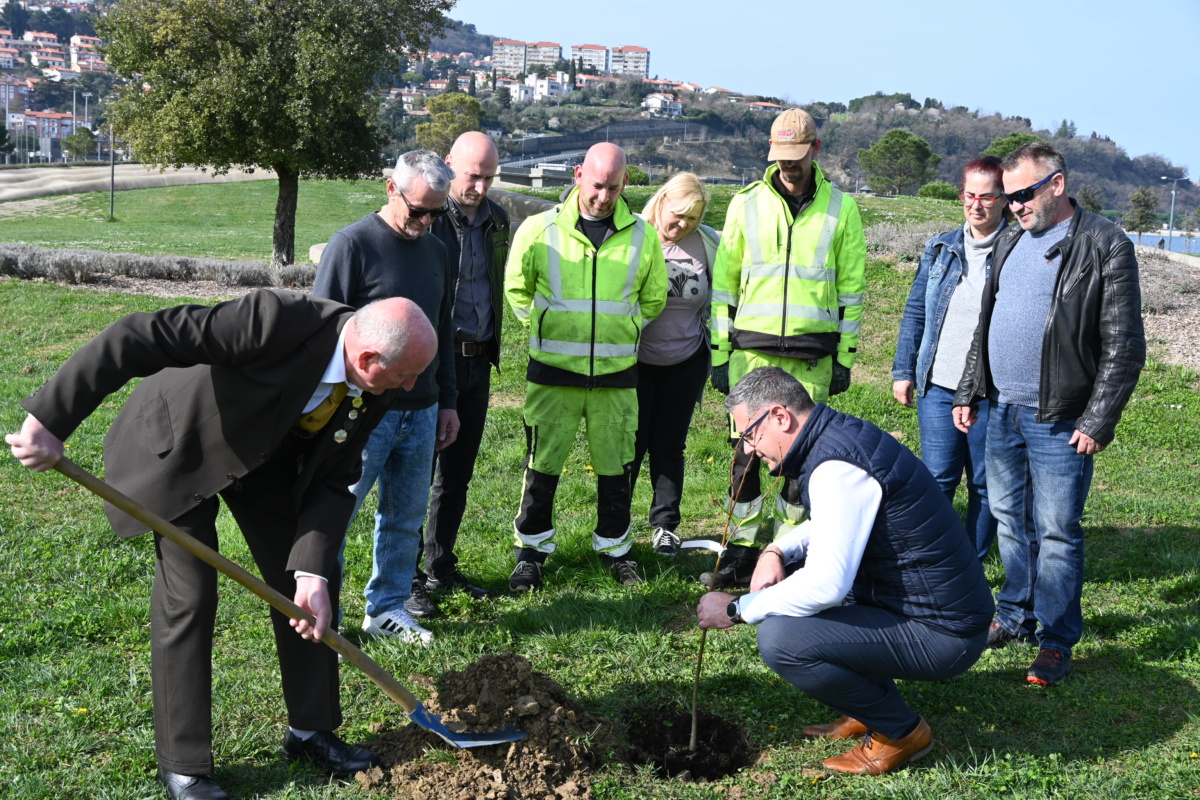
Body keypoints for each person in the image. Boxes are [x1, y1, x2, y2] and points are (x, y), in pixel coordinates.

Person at [6, 290, 437, 800]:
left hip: (268, 459)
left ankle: (310, 731)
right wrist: (48, 421)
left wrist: (312, 573)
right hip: (183, 444)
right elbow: (136, 335)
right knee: (190, 595)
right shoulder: (274, 321)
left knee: (309, 582)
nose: (411, 386)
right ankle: (185, 766)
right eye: (405, 375)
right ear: (367, 359)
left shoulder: (379, 381)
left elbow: (334, 477)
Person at [698, 367, 993, 776]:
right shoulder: (838, 438)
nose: (748, 449)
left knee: (782, 637)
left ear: (780, 416)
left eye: (750, 434)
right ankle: (866, 707)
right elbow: (839, 519)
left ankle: (900, 732)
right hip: (917, 604)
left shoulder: (835, 465)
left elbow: (826, 586)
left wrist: (736, 609)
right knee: (793, 586)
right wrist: (776, 549)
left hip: (945, 633)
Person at [953, 142, 1145, 686]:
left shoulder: (1104, 242)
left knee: (1057, 530)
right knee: (1010, 519)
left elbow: (1124, 344)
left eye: (1024, 194)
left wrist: (1098, 419)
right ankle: (1015, 613)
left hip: (1060, 417)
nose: (1013, 205)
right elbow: (986, 323)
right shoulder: (1011, 238)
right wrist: (969, 389)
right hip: (1001, 409)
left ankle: (1056, 639)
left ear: (1057, 184)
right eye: (1009, 196)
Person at [707, 107, 867, 587]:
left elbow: (852, 292)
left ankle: (785, 554)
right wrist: (720, 353)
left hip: (810, 358)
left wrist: (845, 358)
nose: (788, 164)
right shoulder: (745, 204)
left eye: (797, 154)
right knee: (745, 460)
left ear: (816, 149)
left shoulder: (842, 208)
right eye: (781, 155)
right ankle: (739, 550)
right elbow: (724, 287)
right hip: (750, 355)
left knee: (800, 467)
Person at [503, 142, 667, 590]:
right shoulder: (539, 229)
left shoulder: (643, 236)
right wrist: (545, 327)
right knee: (542, 467)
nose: (603, 196)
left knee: (617, 468)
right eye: (596, 185)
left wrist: (623, 330)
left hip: (616, 378)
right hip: (553, 375)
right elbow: (517, 288)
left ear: (625, 182)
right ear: (578, 175)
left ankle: (616, 549)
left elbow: (653, 298)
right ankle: (531, 552)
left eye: (613, 187)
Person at [313, 149, 458, 638]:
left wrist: (447, 400)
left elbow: (441, 330)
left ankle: (387, 609)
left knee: (406, 516)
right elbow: (323, 334)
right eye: (418, 211)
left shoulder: (437, 250)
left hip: (423, 407)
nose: (426, 222)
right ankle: (323, 611)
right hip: (361, 411)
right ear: (391, 189)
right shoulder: (350, 245)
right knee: (337, 513)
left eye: (437, 213)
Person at [892, 156, 1009, 561]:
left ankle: (972, 562)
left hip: (990, 391)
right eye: (969, 195)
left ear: (1004, 199)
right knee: (938, 479)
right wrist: (904, 370)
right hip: (939, 385)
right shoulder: (940, 247)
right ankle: (933, 560)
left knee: (984, 483)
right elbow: (916, 312)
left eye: (987, 197)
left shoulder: (1017, 251)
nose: (976, 205)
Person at [421, 131, 511, 600]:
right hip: (433, 362)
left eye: (488, 178)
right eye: (473, 176)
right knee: (417, 473)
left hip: (478, 361)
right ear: (449, 163)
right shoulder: (429, 217)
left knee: (457, 474)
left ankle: (440, 566)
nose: (480, 186)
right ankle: (406, 577)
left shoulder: (498, 220)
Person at [628, 172, 719, 557]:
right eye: (678, 215)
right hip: (634, 363)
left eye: (692, 219)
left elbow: (721, 297)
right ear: (662, 201)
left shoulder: (708, 243)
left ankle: (665, 526)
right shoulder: (632, 234)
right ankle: (615, 526)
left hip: (685, 362)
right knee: (629, 445)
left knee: (669, 445)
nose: (683, 225)